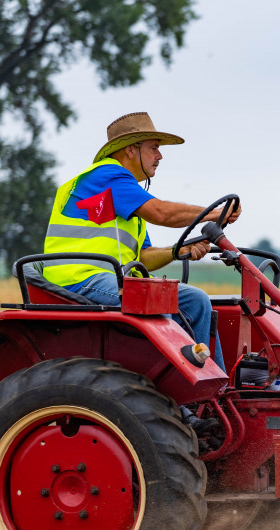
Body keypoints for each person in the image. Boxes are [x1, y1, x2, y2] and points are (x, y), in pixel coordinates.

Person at [42, 111, 239, 372]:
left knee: (197, 301)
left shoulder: (129, 201)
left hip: (110, 279)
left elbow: (143, 257)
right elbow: (161, 212)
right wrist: (215, 213)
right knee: (153, 299)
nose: (160, 156)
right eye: (154, 148)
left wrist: (180, 250)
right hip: (77, 280)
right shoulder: (107, 176)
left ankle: (212, 392)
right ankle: (175, 395)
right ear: (130, 150)